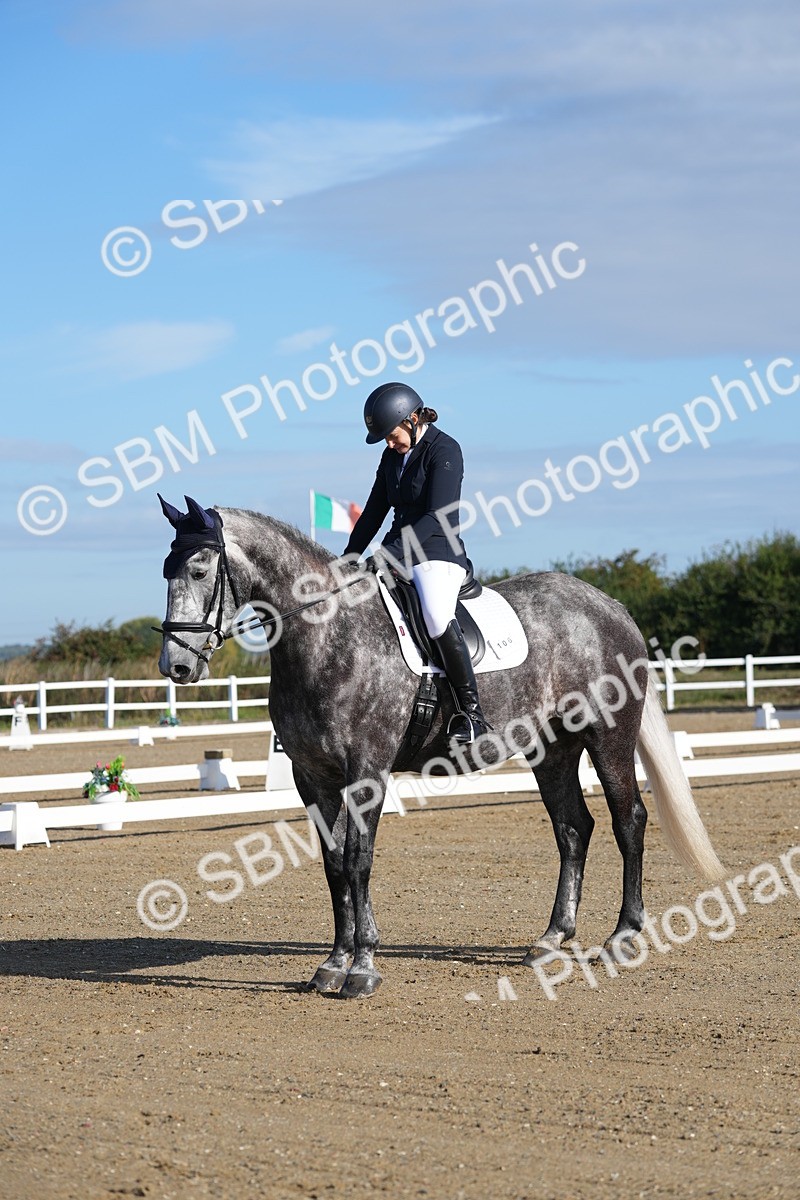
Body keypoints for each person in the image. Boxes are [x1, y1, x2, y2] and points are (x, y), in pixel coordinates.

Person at [343, 381, 490, 744]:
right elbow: (374, 511)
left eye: (392, 436)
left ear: (412, 419)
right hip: (397, 553)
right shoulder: (391, 456)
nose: (390, 445)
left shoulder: (445, 450)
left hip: (437, 553)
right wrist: (347, 560)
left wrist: (388, 554)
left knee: (437, 617)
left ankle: (472, 714)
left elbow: (438, 516)